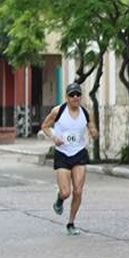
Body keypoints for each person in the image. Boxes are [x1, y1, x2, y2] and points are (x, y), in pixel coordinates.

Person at [41, 82, 98, 235]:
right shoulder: (58, 111)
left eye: (78, 94)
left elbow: (91, 127)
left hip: (79, 152)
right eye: (72, 95)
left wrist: (94, 132)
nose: (75, 97)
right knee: (66, 192)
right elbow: (45, 126)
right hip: (62, 154)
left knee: (78, 191)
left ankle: (71, 223)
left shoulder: (85, 112)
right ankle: (60, 200)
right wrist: (54, 137)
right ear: (67, 97)